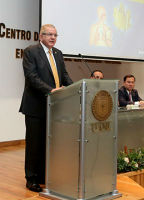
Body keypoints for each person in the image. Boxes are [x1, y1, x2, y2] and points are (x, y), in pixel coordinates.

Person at [19, 24, 73, 192]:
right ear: (40, 36)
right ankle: (32, 178)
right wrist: (50, 90)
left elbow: (64, 76)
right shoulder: (31, 52)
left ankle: (44, 176)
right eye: (49, 34)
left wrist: (76, 88)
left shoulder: (57, 53)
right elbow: (32, 77)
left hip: (55, 107)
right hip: (36, 106)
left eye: (55, 35)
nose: (52, 37)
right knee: (35, 144)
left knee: (49, 144)